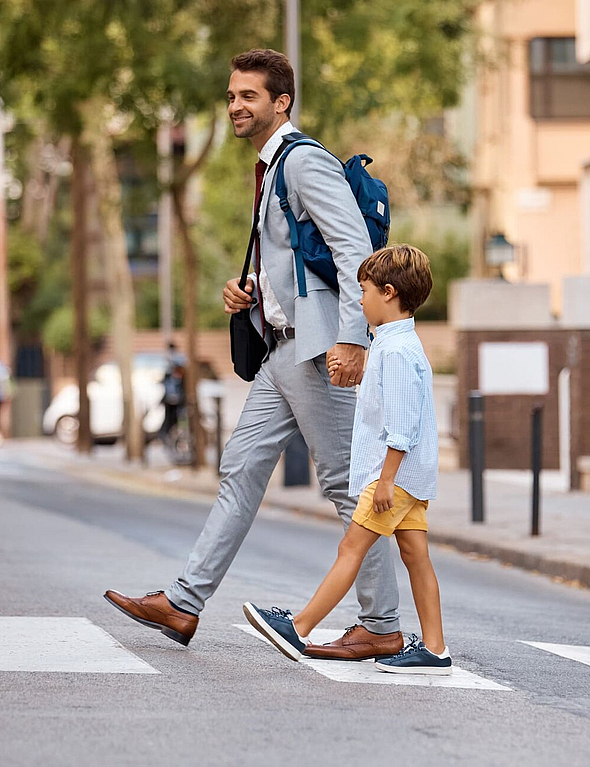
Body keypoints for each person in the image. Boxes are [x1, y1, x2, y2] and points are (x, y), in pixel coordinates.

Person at [104, 49, 403, 658]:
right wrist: (251, 293)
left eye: (249, 97)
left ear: (281, 102)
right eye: (232, 96)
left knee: (348, 485)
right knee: (239, 470)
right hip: (283, 351)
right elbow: (296, 259)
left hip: (316, 351)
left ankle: (382, 623)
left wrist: (352, 336)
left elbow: (353, 254)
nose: (236, 106)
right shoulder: (271, 169)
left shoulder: (303, 163)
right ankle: (185, 602)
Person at [244, 245, 451, 675]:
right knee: (416, 555)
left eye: (365, 291)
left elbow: (401, 425)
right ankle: (435, 649)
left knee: (350, 548)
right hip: (412, 477)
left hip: (393, 477)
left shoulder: (393, 353)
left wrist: (387, 480)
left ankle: (298, 628)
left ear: (389, 293)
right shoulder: (402, 344)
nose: (359, 301)